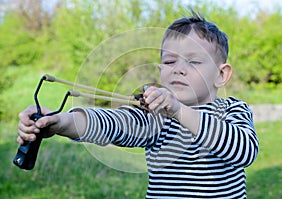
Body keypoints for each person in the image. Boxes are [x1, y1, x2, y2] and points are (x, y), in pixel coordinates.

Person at [17, 10, 259, 199]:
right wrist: (62, 121)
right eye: (170, 60)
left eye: (194, 62)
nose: (179, 69)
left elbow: (244, 151)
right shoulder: (156, 116)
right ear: (160, 70)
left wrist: (178, 110)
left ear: (221, 75)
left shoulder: (231, 110)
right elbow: (113, 124)